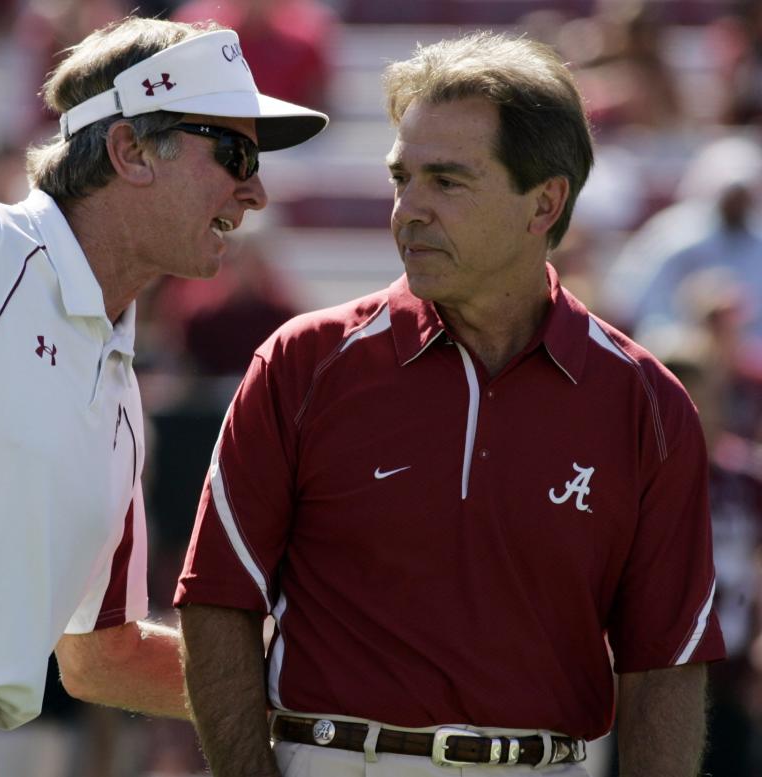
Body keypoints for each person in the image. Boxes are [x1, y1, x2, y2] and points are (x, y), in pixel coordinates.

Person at [175, 30, 724, 777]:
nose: (408, 210)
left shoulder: (649, 404)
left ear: (545, 204)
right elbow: (217, 599)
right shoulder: (301, 363)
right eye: (403, 177)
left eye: (447, 181)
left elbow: (666, 664)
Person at [0, 15, 326, 777]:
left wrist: (335, 677)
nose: (255, 189)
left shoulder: (117, 384)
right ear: (130, 151)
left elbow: (100, 655)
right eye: (234, 152)